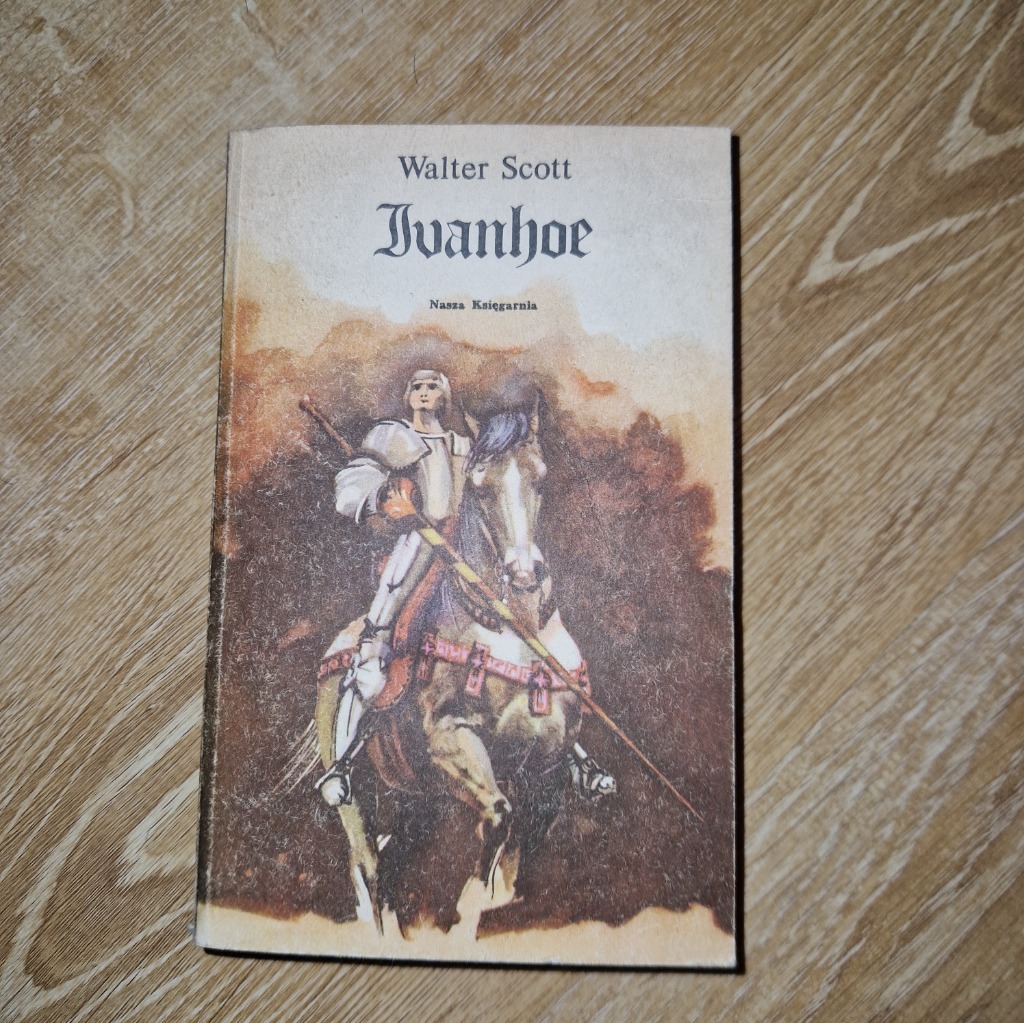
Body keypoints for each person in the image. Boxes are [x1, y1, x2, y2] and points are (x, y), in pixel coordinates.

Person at [317, 370, 615, 806]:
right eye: (418, 388)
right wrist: (382, 495)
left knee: (523, 628)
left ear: (444, 396)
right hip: (420, 541)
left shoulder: (464, 444)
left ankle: (572, 750)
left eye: (433, 387)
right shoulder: (392, 437)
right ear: (409, 396)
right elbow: (351, 485)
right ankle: (343, 756)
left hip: (467, 545)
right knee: (390, 618)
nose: (424, 394)